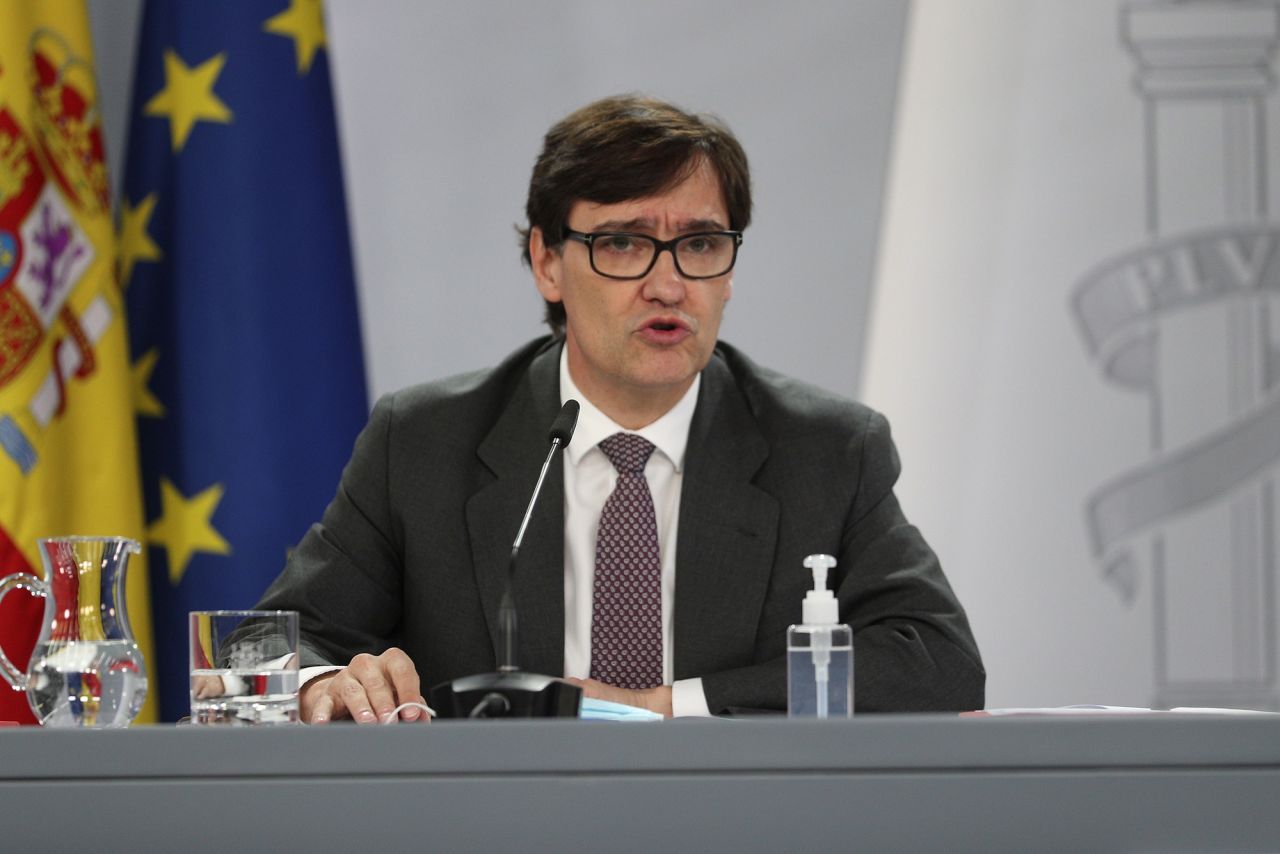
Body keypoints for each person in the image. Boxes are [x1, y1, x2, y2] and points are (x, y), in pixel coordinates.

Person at [256, 94, 984, 723]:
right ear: (547, 262)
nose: (668, 285)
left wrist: (662, 708)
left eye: (700, 244)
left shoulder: (823, 449)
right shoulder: (424, 442)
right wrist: (329, 680)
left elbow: (937, 662)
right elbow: (267, 643)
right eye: (625, 244)